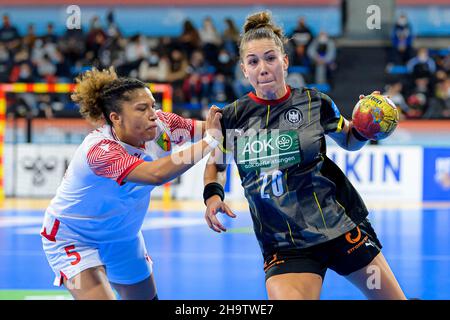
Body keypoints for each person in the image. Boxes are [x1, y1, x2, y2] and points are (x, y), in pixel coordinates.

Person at [202, 11, 407, 300]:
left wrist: (364, 126)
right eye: (253, 61)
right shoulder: (232, 117)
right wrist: (213, 196)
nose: (263, 68)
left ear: (284, 61)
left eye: (271, 58)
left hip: (338, 228)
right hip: (284, 245)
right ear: (244, 69)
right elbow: (216, 163)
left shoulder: (315, 102)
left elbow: (349, 140)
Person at [40, 67, 223, 300]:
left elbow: (214, 127)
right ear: (116, 118)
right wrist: (210, 142)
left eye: (153, 105)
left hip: (123, 236)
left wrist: (250, 115)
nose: (153, 114)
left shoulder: (162, 125)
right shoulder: (100, 150)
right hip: (74, 239)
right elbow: (156, 174)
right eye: (142, 109)